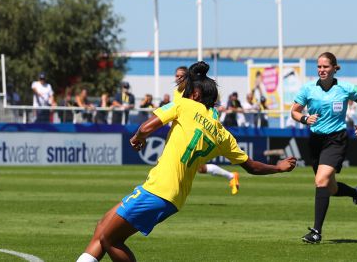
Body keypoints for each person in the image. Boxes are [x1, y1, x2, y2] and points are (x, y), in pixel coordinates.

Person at [76, 62, 296, 262]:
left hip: (158, 189)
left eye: (189, 88)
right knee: (102, 227)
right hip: (174, 198)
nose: (185, 90)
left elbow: (145, 127)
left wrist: (138, 138)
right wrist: (278, 167)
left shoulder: (185, 105)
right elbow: (252, 167)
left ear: (196, 93)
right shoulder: (223, 134)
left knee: (108, 237)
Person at [290, 51, 357, 244]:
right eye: (319, 66)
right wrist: (304, 118)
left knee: (320, 181)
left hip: (336, 140)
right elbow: (294, 111)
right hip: (315, 142)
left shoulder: (346, 88)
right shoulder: (308, 89)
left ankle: (316, 232)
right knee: (330, 187)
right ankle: (356, 193)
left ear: (334, 68)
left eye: (325, 66)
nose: (321, 70)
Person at [173, 66, 240, 194]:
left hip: (196, 129)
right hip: (185, 129)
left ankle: (173, 191)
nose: (178, 78)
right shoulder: (177, 92)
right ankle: (232, 176)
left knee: (182, 164)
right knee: (200, 168)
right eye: (177, 76)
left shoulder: (190, 91)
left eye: (181, 76)